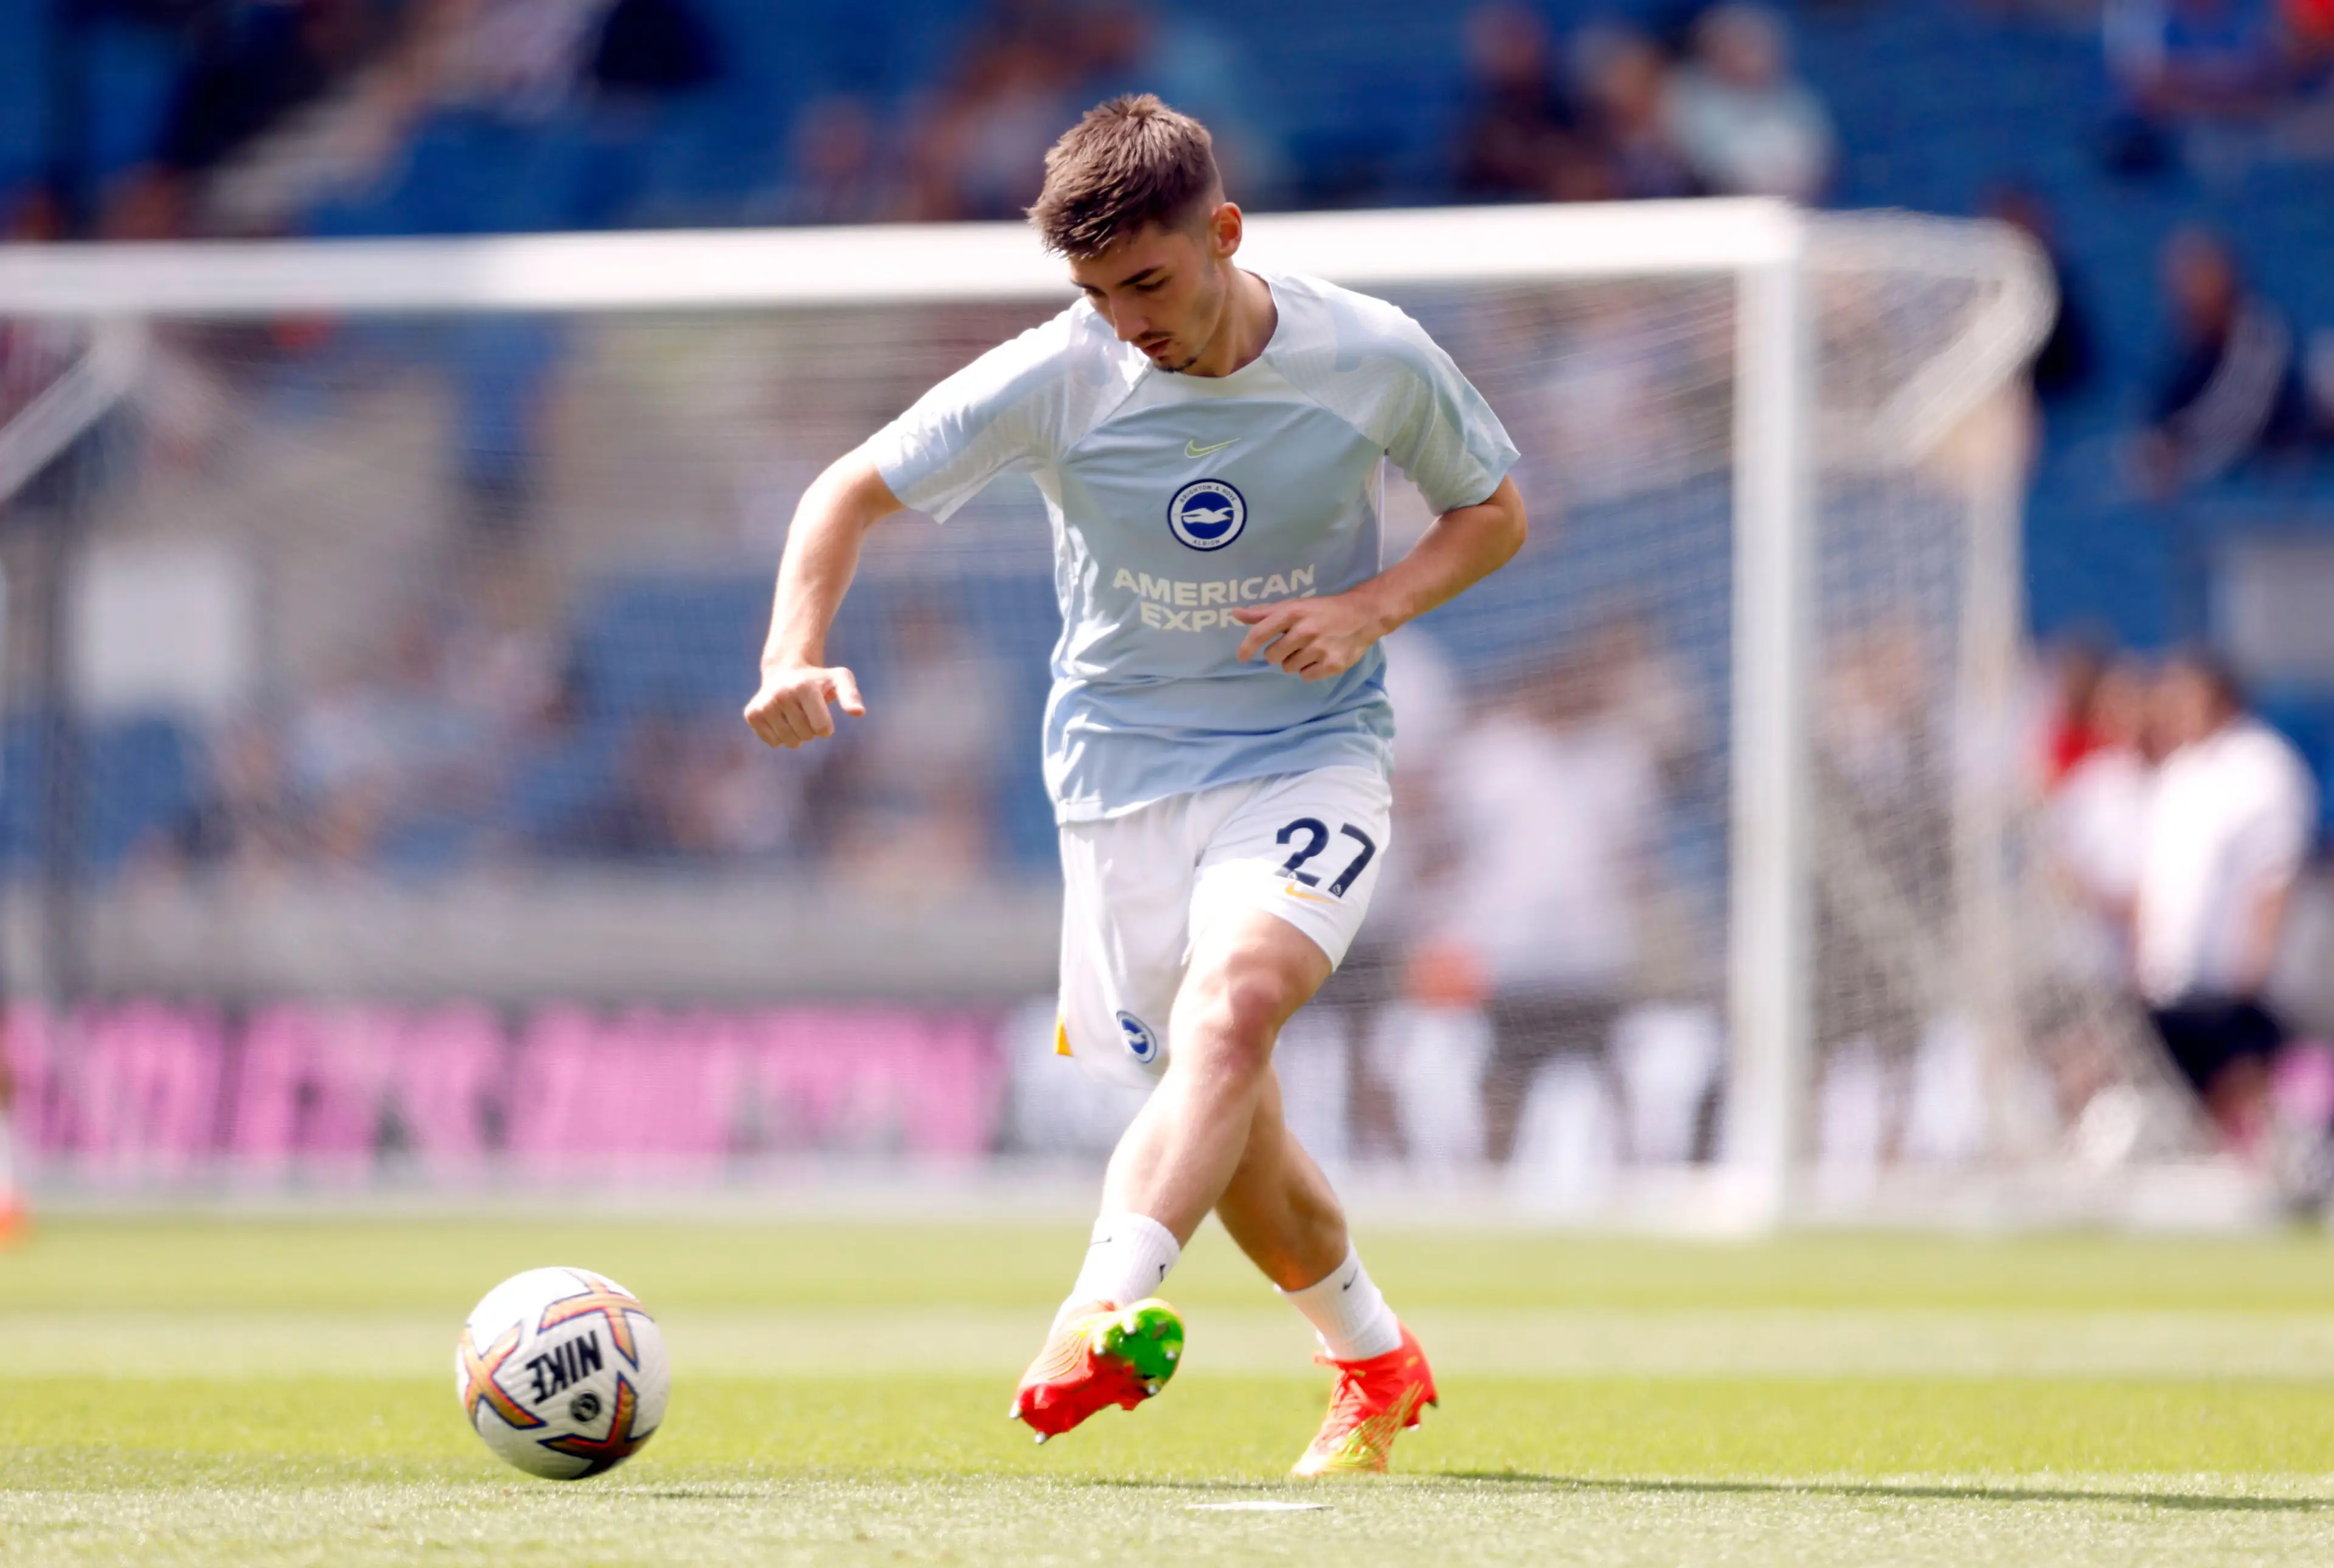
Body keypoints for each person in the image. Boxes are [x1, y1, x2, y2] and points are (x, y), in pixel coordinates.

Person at [742, 95, 1526, 1474]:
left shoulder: (1370, 352)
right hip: (1115, 784)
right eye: (1097, 294)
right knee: (1234, 1129)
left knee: (1234, 1014)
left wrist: (1370, 607)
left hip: (1304, 750)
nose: (1128, 322)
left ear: (1223, 234)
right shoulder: (1060, 374)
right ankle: (1371, 1356)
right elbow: (843, 493)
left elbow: (1493, 510)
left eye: (1149, 283)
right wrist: (790, 652)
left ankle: (1096, 1309)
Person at [2133, 650, 2318, 1154]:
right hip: (2173, 973)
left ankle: (2281, 1164)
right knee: (2188, 1087)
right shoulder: (2181, 771)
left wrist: (2255, 962)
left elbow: (2274, 870)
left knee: (2244, 1076)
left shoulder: (2261, 767)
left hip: (2232, 974)